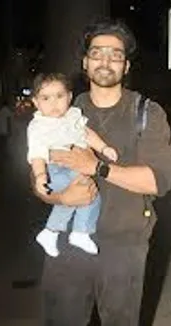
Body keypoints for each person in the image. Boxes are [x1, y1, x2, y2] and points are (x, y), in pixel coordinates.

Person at [32, 18, 171, 325]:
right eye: (97, 53)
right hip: (68, 244)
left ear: (126, 66)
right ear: (85, 62)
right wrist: (58, 195)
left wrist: (97, 167)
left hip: (124, 248)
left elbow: (158, 181)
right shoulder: (62, 110)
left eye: (116, 54)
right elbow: (37, 175)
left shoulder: (147, 113)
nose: (106, 60)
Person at [27, 72, 118, 257]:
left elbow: (87, 133)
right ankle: (79, 232)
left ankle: (52, 232)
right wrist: (40, 176)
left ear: (69, 97)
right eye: (46, 98)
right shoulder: (38, 126)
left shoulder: (73, 115)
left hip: (74, 168)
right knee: (87, 194)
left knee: (76, 198)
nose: (54, 103)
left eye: (59, 96)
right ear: (36, 102)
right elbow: (37, 154)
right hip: (55, 169)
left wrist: (104, 147)